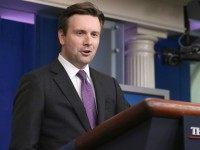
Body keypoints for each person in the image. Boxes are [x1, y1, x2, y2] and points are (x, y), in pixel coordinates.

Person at [10, 2, 130, 150]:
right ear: (62, 37)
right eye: (80, 33)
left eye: (94, 34)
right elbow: (22, 146)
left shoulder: (110, 85)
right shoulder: (37, 82)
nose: (88, 42)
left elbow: (132, 131)